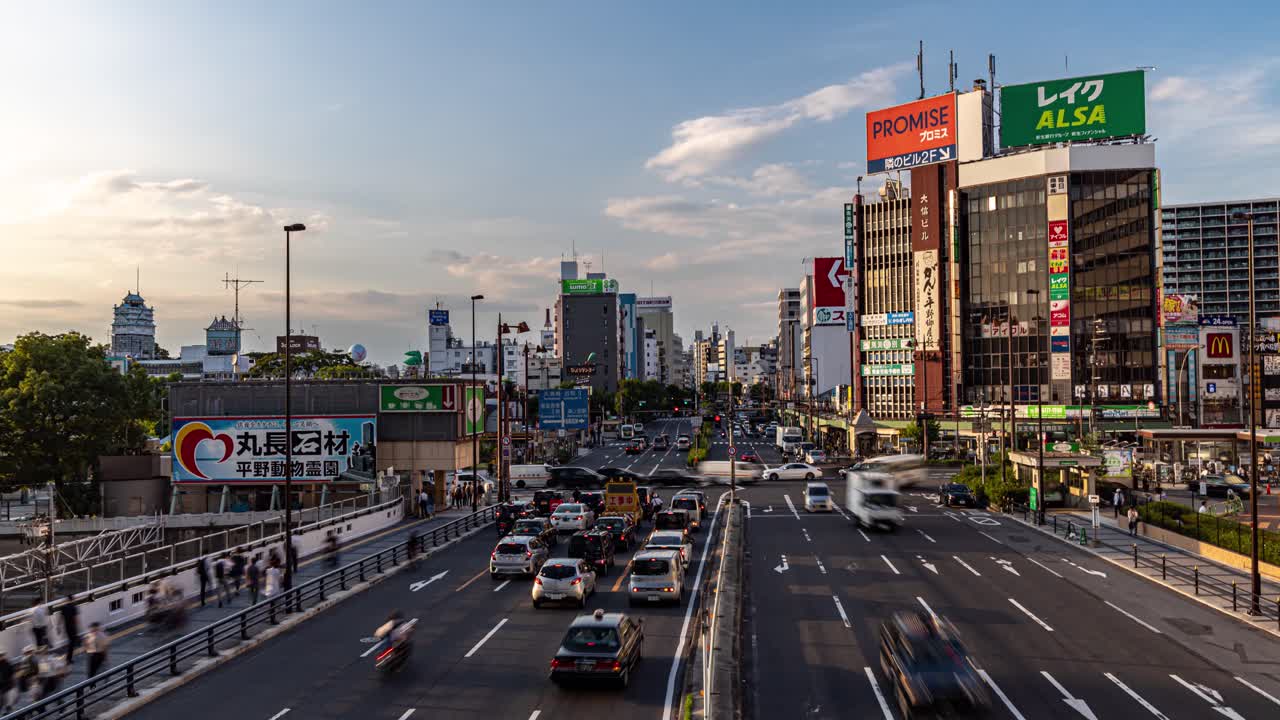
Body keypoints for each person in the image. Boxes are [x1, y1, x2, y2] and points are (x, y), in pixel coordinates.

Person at [58, 595, 79, 663]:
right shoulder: (74, 607)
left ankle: (68, 657)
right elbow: (75, 619)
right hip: (73, 627)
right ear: (72, 599)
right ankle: (68, 658)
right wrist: (78, 628)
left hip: (66, 626)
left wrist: (58, 626)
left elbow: (60, 618)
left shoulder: (63, 607)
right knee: (72, 643)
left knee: (70, 641)